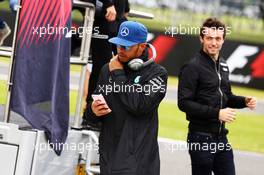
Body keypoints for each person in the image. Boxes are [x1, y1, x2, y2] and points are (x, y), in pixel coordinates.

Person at [85, 21, 167, 175]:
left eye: (126, 46)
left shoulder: (157, 74)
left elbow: (138, 105)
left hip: (138, 162)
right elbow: (90, 116)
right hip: (108, 157)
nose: (120, 50)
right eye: (118, 45)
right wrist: (92, 110)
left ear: (142, 46)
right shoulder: (106, 70)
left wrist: (118, 74)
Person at [178, 17, 257, 175]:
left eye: (218, 39)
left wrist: (244, 101)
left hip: (221, 138)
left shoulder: (224, 65)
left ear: (223, 40)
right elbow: (184, 103)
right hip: (200, 138)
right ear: (201, 39)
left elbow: (226, 96)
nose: (214, 43)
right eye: (209, 38)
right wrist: (217, 113)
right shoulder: (192, 67)